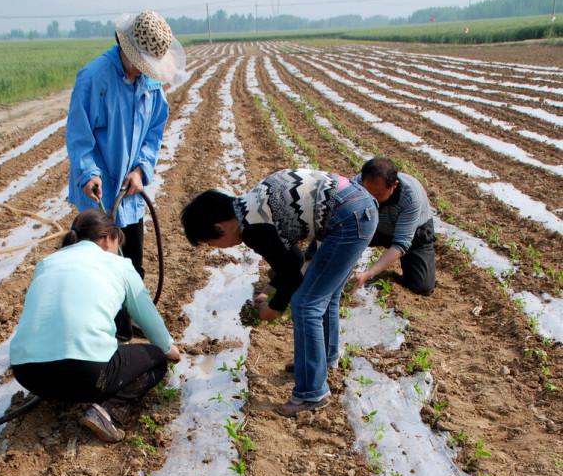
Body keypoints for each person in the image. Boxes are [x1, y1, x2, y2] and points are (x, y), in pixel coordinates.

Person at [181, 169, 378, 416]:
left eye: (211, 243)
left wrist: (273, 309)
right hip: (357, 206)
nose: (216, 248)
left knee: (306, 304)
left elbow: (292, 275)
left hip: (349, 217)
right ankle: (322, 361)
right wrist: (268, 292)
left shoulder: (253, 228)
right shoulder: (249, 206)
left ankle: (312, 393)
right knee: (322, 295)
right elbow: (290, 260)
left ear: (219, 228)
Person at [10, 209, 180, 443]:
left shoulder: (47, 262)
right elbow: (149, 320)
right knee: (156, 358)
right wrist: (169, 349)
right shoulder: (119, 265)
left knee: (68, 369)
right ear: (108, 238)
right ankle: (109, 412)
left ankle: (64, 392)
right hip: (85, 374)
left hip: (27, 373)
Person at [66, 10, 185, 339]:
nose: (146, 70)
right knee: (102, 267)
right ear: (126, 47)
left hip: (129, 193)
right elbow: (79, 138)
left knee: (132, 263)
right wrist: (89, 174)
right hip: (99, 195)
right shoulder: (93, 79)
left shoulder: (150, 84)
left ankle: (128, 324)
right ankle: (108, 331)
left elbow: (154, 133)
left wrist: (140, 169)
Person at [351, 157, 435, 296]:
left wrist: (368, 273)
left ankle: (389, 273)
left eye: (378, 194)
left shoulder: (410, 196)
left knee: (422, 287)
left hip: (413, 232)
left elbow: (401, 243)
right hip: (374, 226)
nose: (371, 198)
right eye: (367, 192)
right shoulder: (356, 183)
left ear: (394, 185)